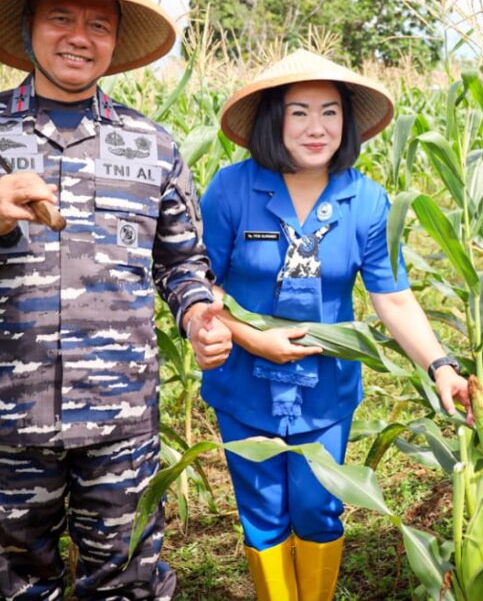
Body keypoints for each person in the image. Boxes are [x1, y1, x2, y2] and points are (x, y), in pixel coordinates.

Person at [0, 0, 231, 600]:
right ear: (29, 31)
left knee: (128, 584)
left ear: (115, 42)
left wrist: (199, 310)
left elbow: (181, 264)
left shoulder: (154, 147)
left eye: (99, 24)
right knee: (11, 588)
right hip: (5, 419)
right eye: (61, 18)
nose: (79, 36)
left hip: (121, 421)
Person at [191, 48, 468, 601]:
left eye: (330, 112)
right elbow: (202, 282)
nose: (316, 128)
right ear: (274, 119)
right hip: (244, 383)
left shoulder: (366, 200)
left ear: (347, 122)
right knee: (263, 507)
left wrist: (441, 365)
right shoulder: (231, 188)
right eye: (299, 112)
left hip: (326, 389)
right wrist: (252, 339)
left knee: (320, 505)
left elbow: (392, 299)